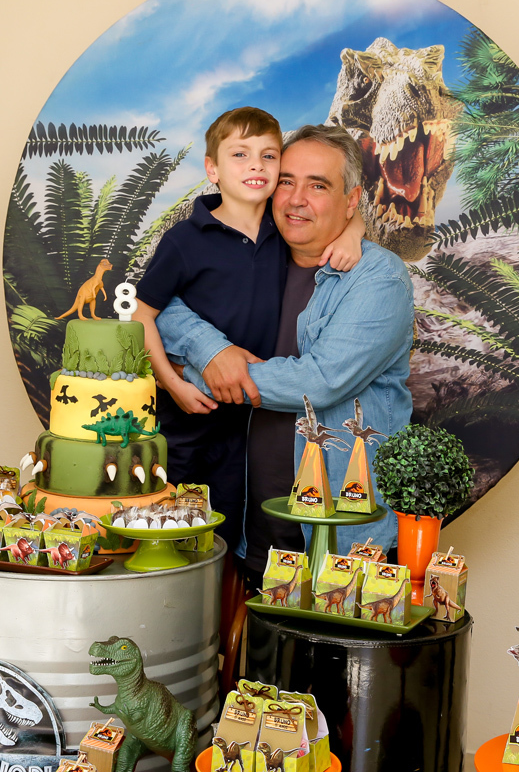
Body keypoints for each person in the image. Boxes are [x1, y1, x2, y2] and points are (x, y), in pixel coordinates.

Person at [157, 124, 414, 582]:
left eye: (318, 186)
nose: (296, 199)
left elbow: (319, 381)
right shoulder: (256, 255)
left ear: (352, 201)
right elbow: (162, 303)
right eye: (287, 181)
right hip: (249, 530)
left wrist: (194, 372)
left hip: (341, 538)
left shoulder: (379, 278)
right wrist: (212, 351)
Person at [133, 108, 362, 550]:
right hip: (185, 417)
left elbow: (343, 209)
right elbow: (142, 313)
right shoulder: (186, 239)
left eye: (268, 156)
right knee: (168, 528)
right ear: (212, 169)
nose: (256, 165)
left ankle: (223, 595)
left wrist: (353, 232)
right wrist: (173, 385)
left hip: (247, 425)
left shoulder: (283, 230)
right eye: (240, 155)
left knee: (229, 533)